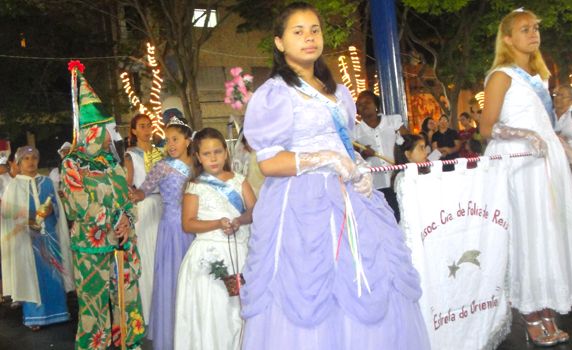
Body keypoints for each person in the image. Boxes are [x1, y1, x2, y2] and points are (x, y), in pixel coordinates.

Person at [240, 2, 430, 349]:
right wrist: (325, 158)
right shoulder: (274, 93)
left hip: (351, 199)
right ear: (280, 43)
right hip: (300, 204)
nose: (309, 38)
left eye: (315, 30)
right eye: (298, 32)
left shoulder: (338, 92)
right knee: (311, 284)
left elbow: (344, 142)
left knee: (368, 276)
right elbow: (269, 163)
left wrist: (356, 166)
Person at [480, 9, 572, 347]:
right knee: (529, 235)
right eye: (525, 29)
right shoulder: (500, 76)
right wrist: (521, 134)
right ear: (509, 38)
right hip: (518, 166)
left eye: (536, 28)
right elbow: (486, 129)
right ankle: (529, 312)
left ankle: (546, 310)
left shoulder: (539, 77)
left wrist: (564, 148)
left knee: (549, 235)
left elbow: (545, 126)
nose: (534, 34)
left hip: (546, 165)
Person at [61, 62, 145, 349]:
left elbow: (127, 197)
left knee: (127, 301)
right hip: (90, 247)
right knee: (93, 309)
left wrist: (126, 219)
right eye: (108, 130)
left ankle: (129, 345)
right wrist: (112, 219)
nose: (113, 136)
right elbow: (78, 205)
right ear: (92, 132)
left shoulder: (112, 162)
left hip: (121, 245)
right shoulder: (71, 164)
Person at [174, 128, 256, 350]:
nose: (213, 158)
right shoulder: (196, 186)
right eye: (207, 154)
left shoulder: (239, 181)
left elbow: (254, 211)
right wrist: (217, 223)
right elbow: (188, 223)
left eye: (218, 152)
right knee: (214, 312)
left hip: (239, 253)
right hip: (208, 256)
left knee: (239, 312)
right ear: (198, 157)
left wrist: (239, 220)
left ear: (226, 153)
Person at [130, 117, 194, 350]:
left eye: (175, 139)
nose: (171, 145)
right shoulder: (162, 166)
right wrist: (124, 193)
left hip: (194, 228)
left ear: (188, 140)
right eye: (167, 141)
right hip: (170, 230)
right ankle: (173, 332)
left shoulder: (197, 166)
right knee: (173, 278)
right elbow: (142, 191)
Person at [1, 146, 73, 331]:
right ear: (18, 163)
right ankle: (35, 317)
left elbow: (59, 212)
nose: (31, 162)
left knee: (53, 273)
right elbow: (8, 214)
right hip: (26, 240)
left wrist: (51, 210)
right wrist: (26, 219)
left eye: (34, 158)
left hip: (49, 237)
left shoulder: (48, 182)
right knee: (31, 276)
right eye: (26, 159)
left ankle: (59, 312)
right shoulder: (14, 186)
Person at [123, 114, 164, 324]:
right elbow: (127, 184)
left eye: (149, 126)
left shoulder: (160, 153)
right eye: (142, 126)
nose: (147, 130)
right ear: (134, 131)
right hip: (145, 207)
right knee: (147, 258)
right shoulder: (131, 155)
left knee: (161, 256)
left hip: (162, 206)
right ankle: (148, 311)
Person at [353, 90, 406, 221]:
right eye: (360, 104)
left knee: (404, 217)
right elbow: (353, 158)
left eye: (367, 102)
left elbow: (408, 143)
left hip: (399, 180)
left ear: (376, 104)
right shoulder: (355, 132)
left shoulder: (393, 121)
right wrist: (363, 154)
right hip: (376, 185)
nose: (364, 106)